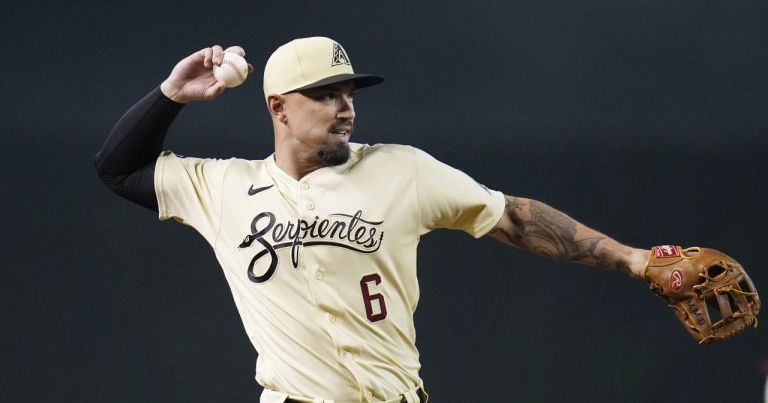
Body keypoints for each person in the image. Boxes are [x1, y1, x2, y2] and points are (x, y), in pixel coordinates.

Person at [95, 37, 648, 403]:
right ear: (277, 106)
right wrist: (173, 94)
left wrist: (634, 259)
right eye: (326, 95)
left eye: (349, 94)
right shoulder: (222, 187)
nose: (347, 108)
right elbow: (118, 169)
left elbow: (516, 219)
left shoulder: (401, 168)